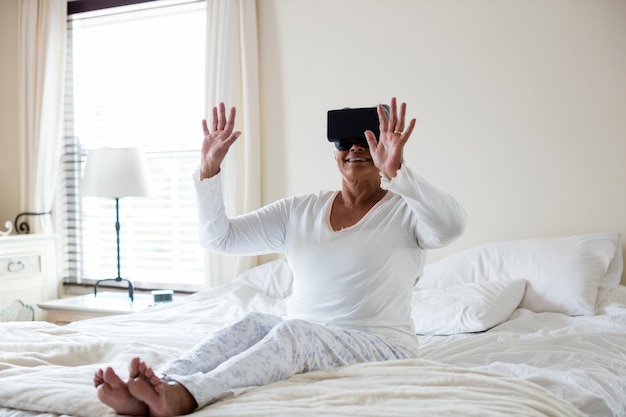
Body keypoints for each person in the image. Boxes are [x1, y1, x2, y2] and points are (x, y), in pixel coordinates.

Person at [94, 97, 467, 416]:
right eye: (345, 142)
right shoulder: (300, 211)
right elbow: (220, 238)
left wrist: (399, 173)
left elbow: (451, 226)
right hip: (306, 334)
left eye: (367, 142)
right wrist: (208, 172)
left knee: (292, 331)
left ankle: (184, 396)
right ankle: (162, 380)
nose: (355, 149)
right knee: (255, 323)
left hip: (381, 345)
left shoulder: (406, 212)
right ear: (334, 151)